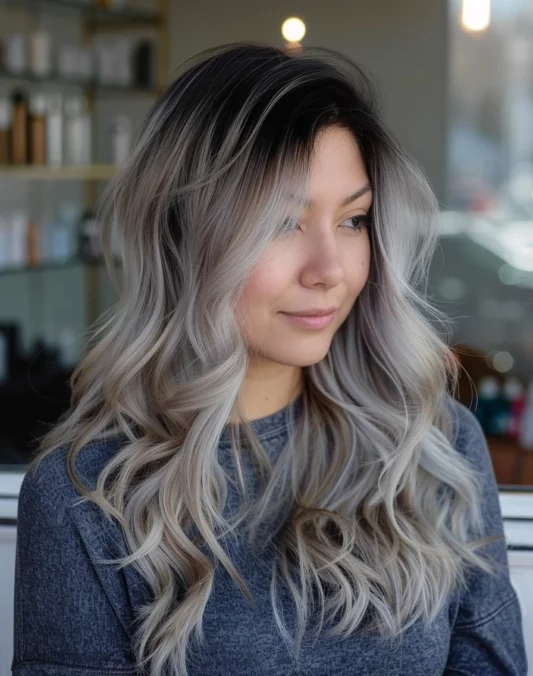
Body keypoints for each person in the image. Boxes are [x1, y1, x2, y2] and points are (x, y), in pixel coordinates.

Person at [12, 42, 527, 676]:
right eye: (282, 223)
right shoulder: (85, 494)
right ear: (183, 233)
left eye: (354, 219)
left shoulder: (437, 446)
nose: (330, 271)